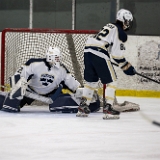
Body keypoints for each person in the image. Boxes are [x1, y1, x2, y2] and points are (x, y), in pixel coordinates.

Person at [0, 46, 100, 113]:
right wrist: (16, 93)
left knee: (58, 105)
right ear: (50, 57)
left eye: (58, 58)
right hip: (30, 91)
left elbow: (74, 85)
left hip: (51, 93)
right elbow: (18, 76)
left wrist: (84, 93)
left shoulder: (62, 69)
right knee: (15, 93)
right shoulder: (34, 63)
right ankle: (8, 103)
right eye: (56, 57)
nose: (57, 60)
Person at [76, 9, 136, 119]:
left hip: (88, 51)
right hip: (99, 52)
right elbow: (117, 55)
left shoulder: (109, 25)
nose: (129, 24)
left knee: (91, 81)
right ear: (125, 21)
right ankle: (108, 107)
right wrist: (128, 67)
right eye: (128, 21)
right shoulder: (120, 32)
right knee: (112, 81)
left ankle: (83, 106)